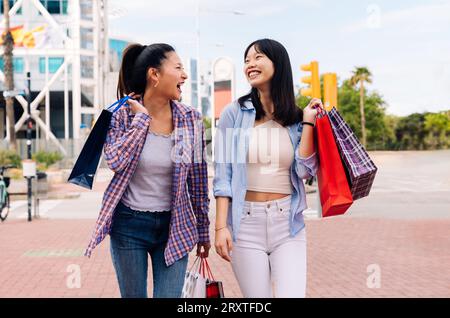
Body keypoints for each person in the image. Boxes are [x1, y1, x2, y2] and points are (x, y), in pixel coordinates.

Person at [84, 43, 211, 298]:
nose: (184, 75)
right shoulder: (120, 115)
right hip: (128, 227)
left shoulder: (191, 119)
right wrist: (141, 120)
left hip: (175, 226)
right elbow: (116, 162)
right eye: (178, 68)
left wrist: (204, 230)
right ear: (155, 75)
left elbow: (198, 180)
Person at [213, 38, 321, 298]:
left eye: (258, 57)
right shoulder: (233, 114)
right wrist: (220, 227)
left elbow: (305, 171)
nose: (250, 64)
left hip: (288, 224)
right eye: (247, 60)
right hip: (244, 224)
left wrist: (308, 123)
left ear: (278, 63)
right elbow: (223, 175)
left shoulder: (296, 117)